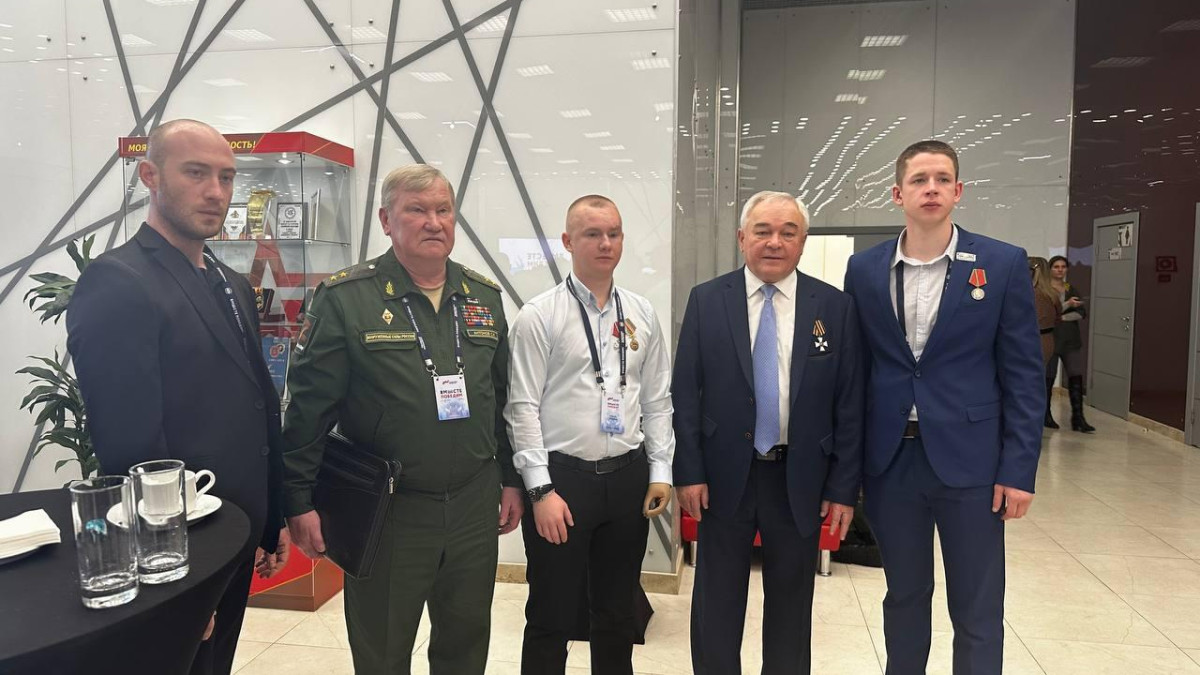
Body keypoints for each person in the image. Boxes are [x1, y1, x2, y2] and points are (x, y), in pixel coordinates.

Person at [280, 163, 523, 674]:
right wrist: (298, 500)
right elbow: (308, 409)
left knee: (465, 646)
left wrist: (510, 479)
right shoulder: (347, 299)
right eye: (417, 210)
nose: (434, 222)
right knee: (383, 651)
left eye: (443, 210)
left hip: (473, 506)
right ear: (387, 221)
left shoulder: (483, 297)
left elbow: (502, 399)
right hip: (387, 511)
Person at [66, 119, 289, 675]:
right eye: (195, 173)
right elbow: (129, 445)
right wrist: (173, 579)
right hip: (186, 548)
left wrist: (271, 519)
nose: (215, 192)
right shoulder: (118, 282)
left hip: (236, 531)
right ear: (150, 175)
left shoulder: (231, 283)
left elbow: (255, 405)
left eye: (226, 177)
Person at [843, 140, 1044, 675]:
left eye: (941, 179)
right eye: (918, 180)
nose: (930, 189)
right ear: (897, 194)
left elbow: (1025, 375)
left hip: (972, 465)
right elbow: (856, 373)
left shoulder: (1001, 263)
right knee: (904, 596)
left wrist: (1018, 469)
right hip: (892, 464)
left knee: (977, 605)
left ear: (958, 191)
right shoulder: (863, 270)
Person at [673, 191, 864, 674]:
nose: (774, 242)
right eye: (762, 231)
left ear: (803, 242)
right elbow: (686, 393)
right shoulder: (707, 301)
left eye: (787, 232)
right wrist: (688, 471)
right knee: (716, 604)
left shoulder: (835, 308)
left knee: (791, 608)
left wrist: (843, 488)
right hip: (722, 479)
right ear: (742, 238)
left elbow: (849, 404)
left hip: (800, 478)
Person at [506, 195, 675, 674]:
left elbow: (657, 399)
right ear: (567, 241)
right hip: (563, 483)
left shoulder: (641, 312)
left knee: (618, 614)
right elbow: (521, 408)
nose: (605, 243)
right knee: (551, 616)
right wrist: (540, 491)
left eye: (613, 233)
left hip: (627, 479)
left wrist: (660, 471)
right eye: (592, 234)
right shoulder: (540, 315)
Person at [1047, 255, 1094, 432]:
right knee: (1048, 378)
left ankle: (1078, 417)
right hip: (1051, 339)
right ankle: (1046, 415)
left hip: (1070, 339)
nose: (1060, 270)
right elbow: (1049, 312)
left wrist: (1061, 317)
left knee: (1075, 376)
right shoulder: (1045, 289)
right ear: (1050, 269)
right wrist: (1066, 305)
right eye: (1056, 267)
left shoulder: (1069, 287)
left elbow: (1081, 312)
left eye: (1063, 267)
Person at [1029, 257, 1059, 367]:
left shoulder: (1033, 294)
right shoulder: (1052, 294)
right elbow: (1058, 318)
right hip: (1046, 340)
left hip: (1031, 341)